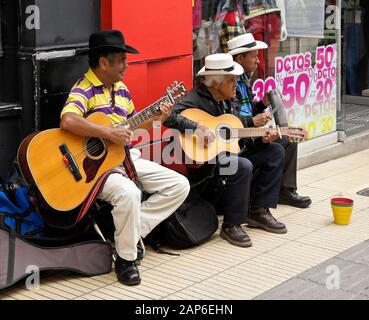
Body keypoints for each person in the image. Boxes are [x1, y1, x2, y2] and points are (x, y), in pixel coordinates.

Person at [60, 30, 190, 286]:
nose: (126, 65)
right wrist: (107, 131)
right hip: (94, 168)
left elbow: (131, 131)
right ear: (103, 62)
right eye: (121, 60)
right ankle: (126, 259)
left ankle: (127, 233)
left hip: (123, 158)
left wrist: (157, 119)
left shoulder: (121, 90)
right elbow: (68, 120)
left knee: (179, 185)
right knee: (129, 193)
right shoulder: (84, 89)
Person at [164, 53, 287, 248]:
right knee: (241, 164)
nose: (235, 85)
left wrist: (261, 138)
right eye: (230, 80)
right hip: (206, 162)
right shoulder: (194, 99)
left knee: (275, 151)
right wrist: (197, 128)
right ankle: (231, 225)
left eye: (236, 80)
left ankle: (258, 211)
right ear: (215, 83)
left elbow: (234, 132)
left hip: (228, 153)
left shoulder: (230, 100)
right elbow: (169, 117)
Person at [227, 33, 312, 208]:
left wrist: (262, 104)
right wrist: (252, 121)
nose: (258, 61)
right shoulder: (228, 82)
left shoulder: (244, 79)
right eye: (254, 57)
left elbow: (247, 110)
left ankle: (285, 191)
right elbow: (226, 118)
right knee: (275, 148)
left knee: (287, 140)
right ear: (240, 58)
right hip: (236, 140)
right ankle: (258, 204)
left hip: (249, 133)